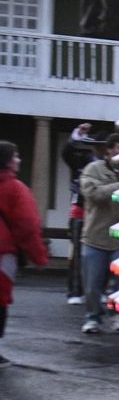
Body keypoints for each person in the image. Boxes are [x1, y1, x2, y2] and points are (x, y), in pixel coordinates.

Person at [0, 141, 50, 367]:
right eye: (16, 156)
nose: (19, 160)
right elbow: (27, 225)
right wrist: (38, 256)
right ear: (8, 161)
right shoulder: (15, 188)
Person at [77, 133, 119, 334]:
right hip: (95, 237)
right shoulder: (94, 169)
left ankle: (117, 316)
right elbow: (93, 194)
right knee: (92, 285)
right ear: (109, 150)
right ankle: (92, 318)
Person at [60, 122, 99, 305]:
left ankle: (97, 290)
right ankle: (75, 290)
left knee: (100, 252)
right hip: (80, 210)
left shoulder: (108, 164)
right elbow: (67, 153)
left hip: (100, 214)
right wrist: (78, 133)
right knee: (78, 253)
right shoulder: (82, 160)